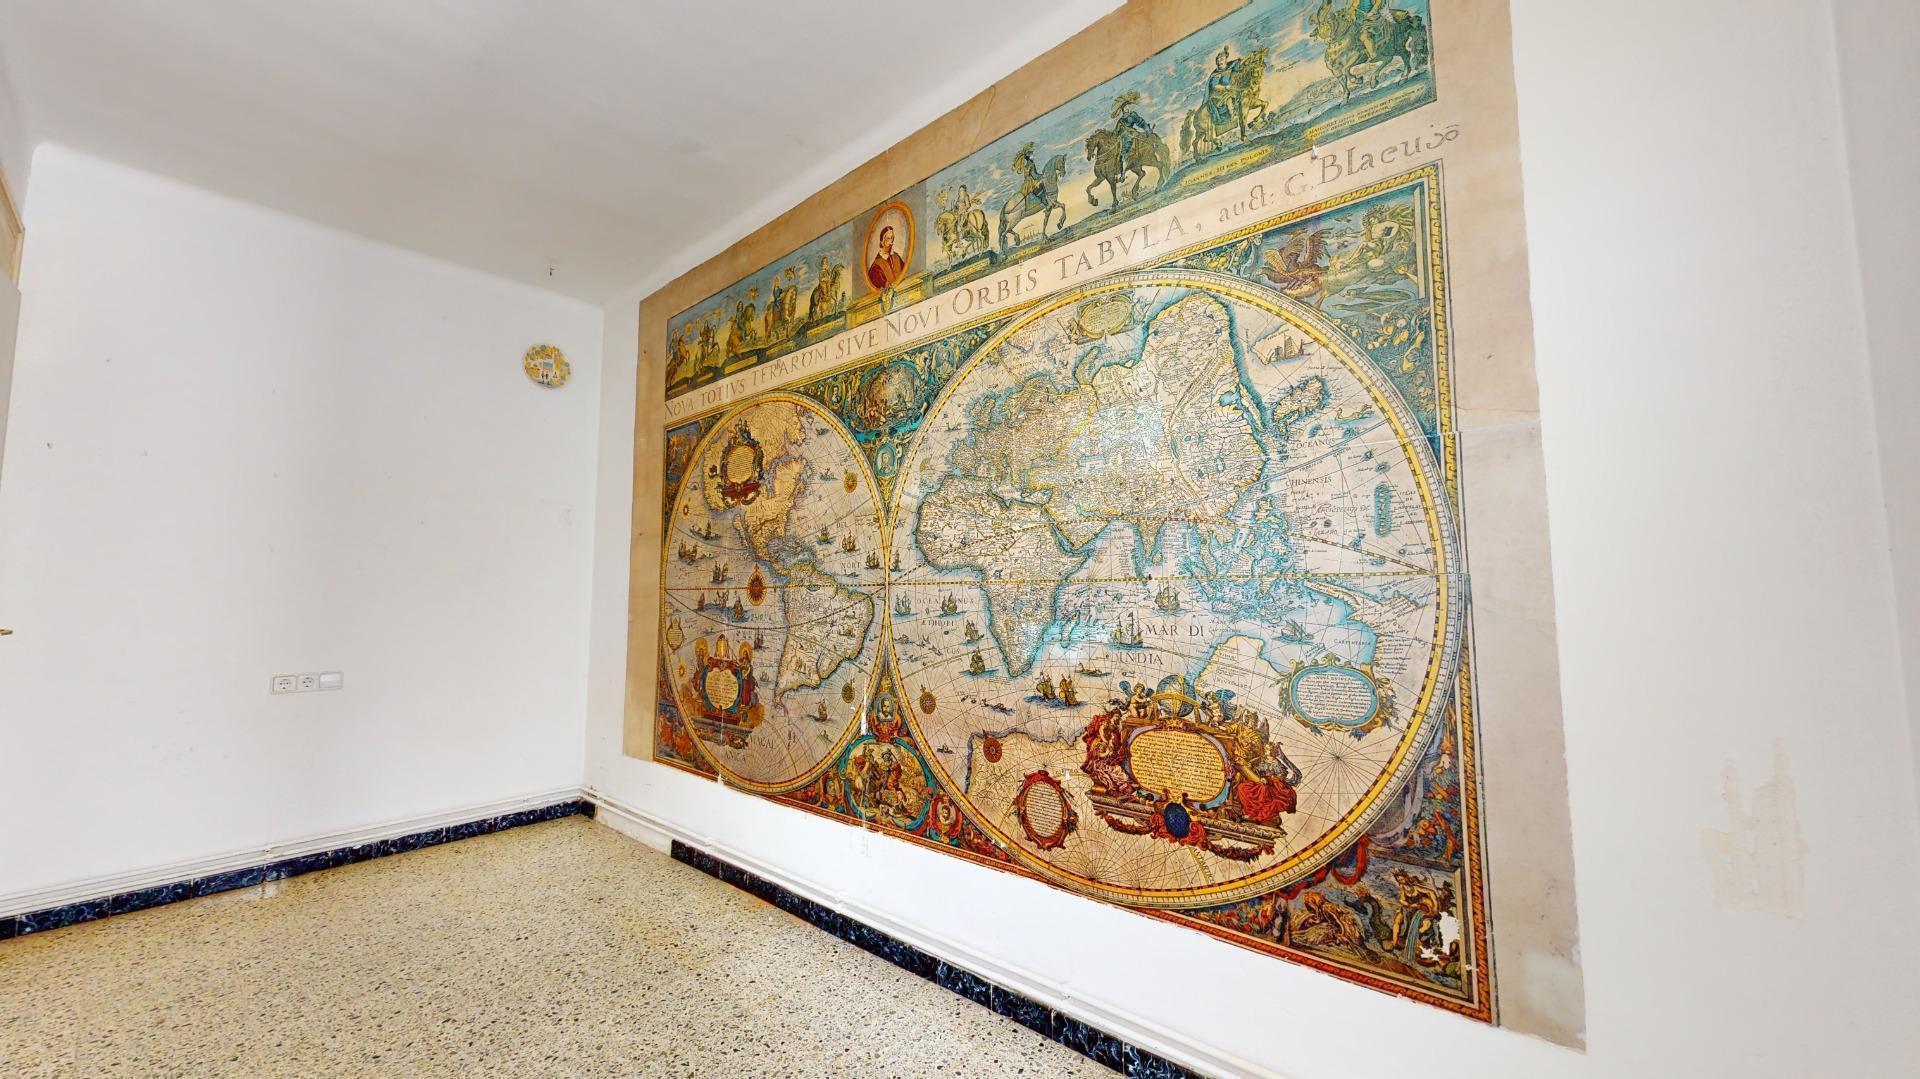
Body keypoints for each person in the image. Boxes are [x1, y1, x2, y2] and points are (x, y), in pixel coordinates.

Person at [866, 224, 905, 289]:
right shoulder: (876, 266)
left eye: (892, 238)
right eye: (888, 239)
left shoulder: (897, 257)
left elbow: (904, 273)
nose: (891, 242)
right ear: (882, 242)